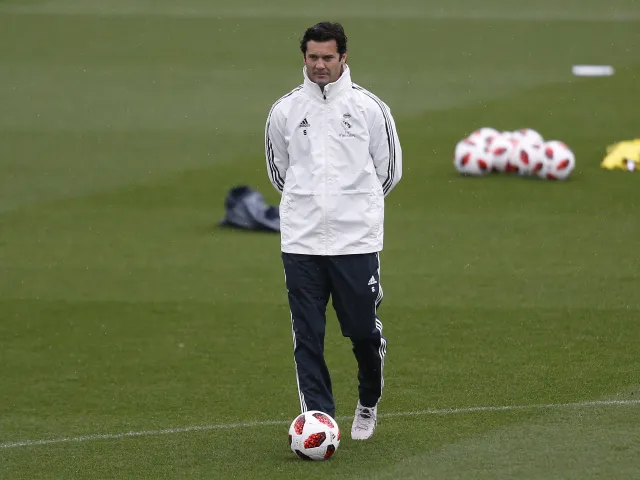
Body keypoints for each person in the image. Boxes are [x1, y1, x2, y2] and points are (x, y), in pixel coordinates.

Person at [264, 21, 402, 441]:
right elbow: (279, 174)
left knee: (362, 332)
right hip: (301, 242)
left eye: (328, 57)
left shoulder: (369, 108)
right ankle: (318, 422)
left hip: (355, 241)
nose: (320, 65)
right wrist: (309, 207)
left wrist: (351, 207)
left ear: (344, 57)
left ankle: (368, 401)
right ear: (303, 58)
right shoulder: (284, 111)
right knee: (307, 335)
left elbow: (389, 172)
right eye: (313, 57)